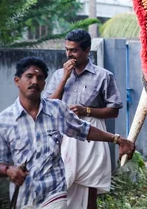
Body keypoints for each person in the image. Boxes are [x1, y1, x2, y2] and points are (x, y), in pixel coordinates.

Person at [0, 57, 135, 209]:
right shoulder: (2, 122)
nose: (34, 81)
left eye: (40, 78)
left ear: (44, 84)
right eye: (29, 76)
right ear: (17, 81)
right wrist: (9, 170)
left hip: (54, 194)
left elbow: (84, 129)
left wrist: (118, 140)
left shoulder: (57, 109)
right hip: (24, 197)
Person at [42, 29, 122, 208]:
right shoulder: (58, 75)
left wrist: (87, 111)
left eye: (74, 50)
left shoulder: (104, 76)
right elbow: (48, 106)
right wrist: (64, 78)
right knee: (62, 187)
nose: (69, 54)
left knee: (89, 186)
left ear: (87, 51)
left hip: (92, 138)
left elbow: (114, 111)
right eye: (67, 50)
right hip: (63, 138)